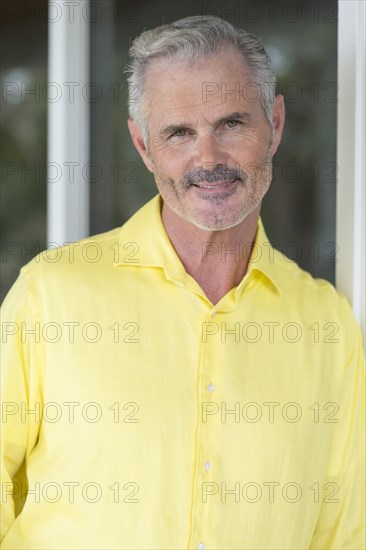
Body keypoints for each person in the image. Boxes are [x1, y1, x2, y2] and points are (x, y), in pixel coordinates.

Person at [1, 15, 364, 550]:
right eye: (179, 133)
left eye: (232, 124)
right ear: (144, 146)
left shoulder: (327, 326)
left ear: (276, 124)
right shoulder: (51, 295)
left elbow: (343, 532)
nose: (209, 158)